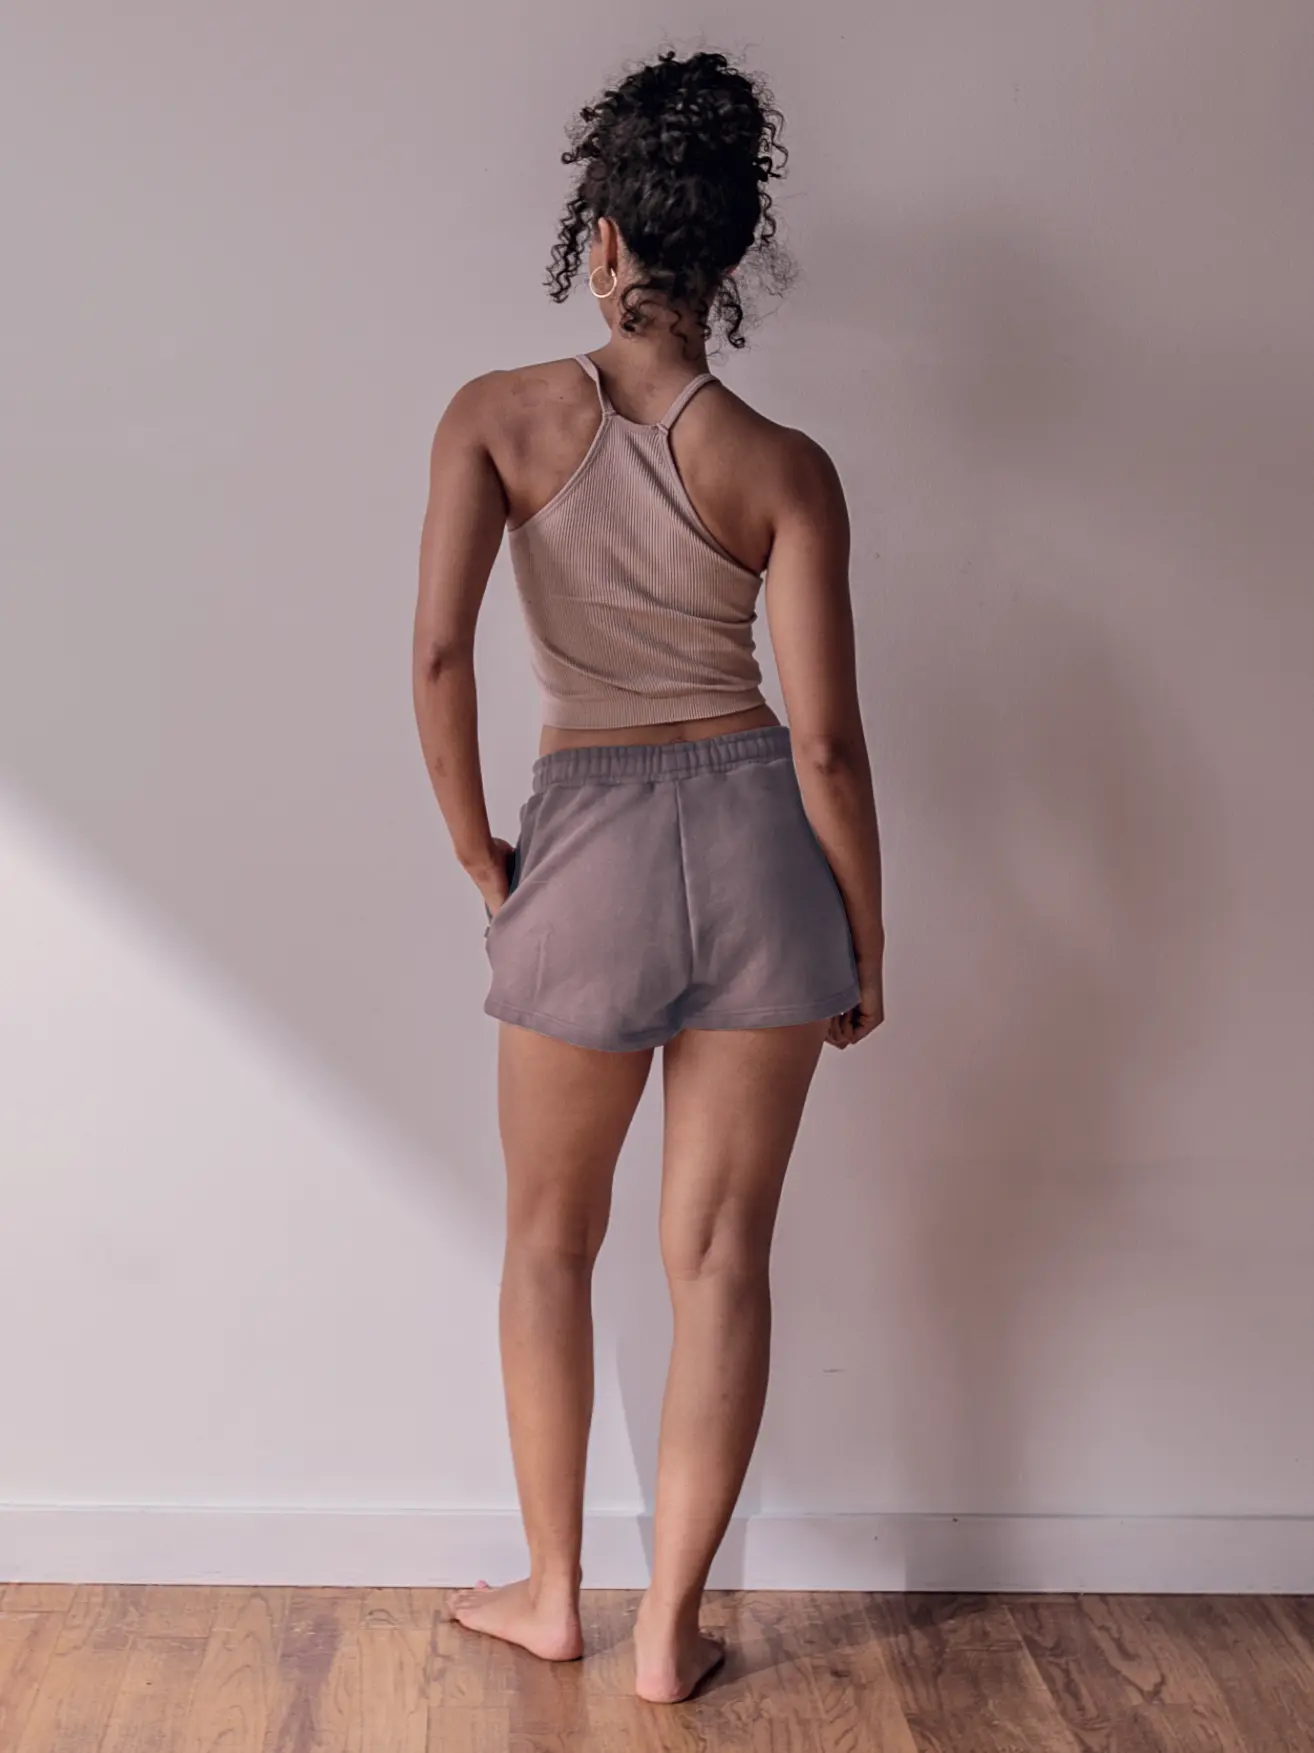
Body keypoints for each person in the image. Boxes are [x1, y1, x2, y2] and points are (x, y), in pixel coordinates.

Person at [412, 47, 885, 1705]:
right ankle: (670, 1633)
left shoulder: (494, 418)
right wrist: (861, 940)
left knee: (550, 1239)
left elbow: (438, 658)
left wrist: (486, 857)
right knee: (722, 1257)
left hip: (587, 849)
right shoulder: (785, 465)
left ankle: (556, 1596)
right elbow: (824, 743)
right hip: (761, 856)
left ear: (600, 234)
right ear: (731, 256)